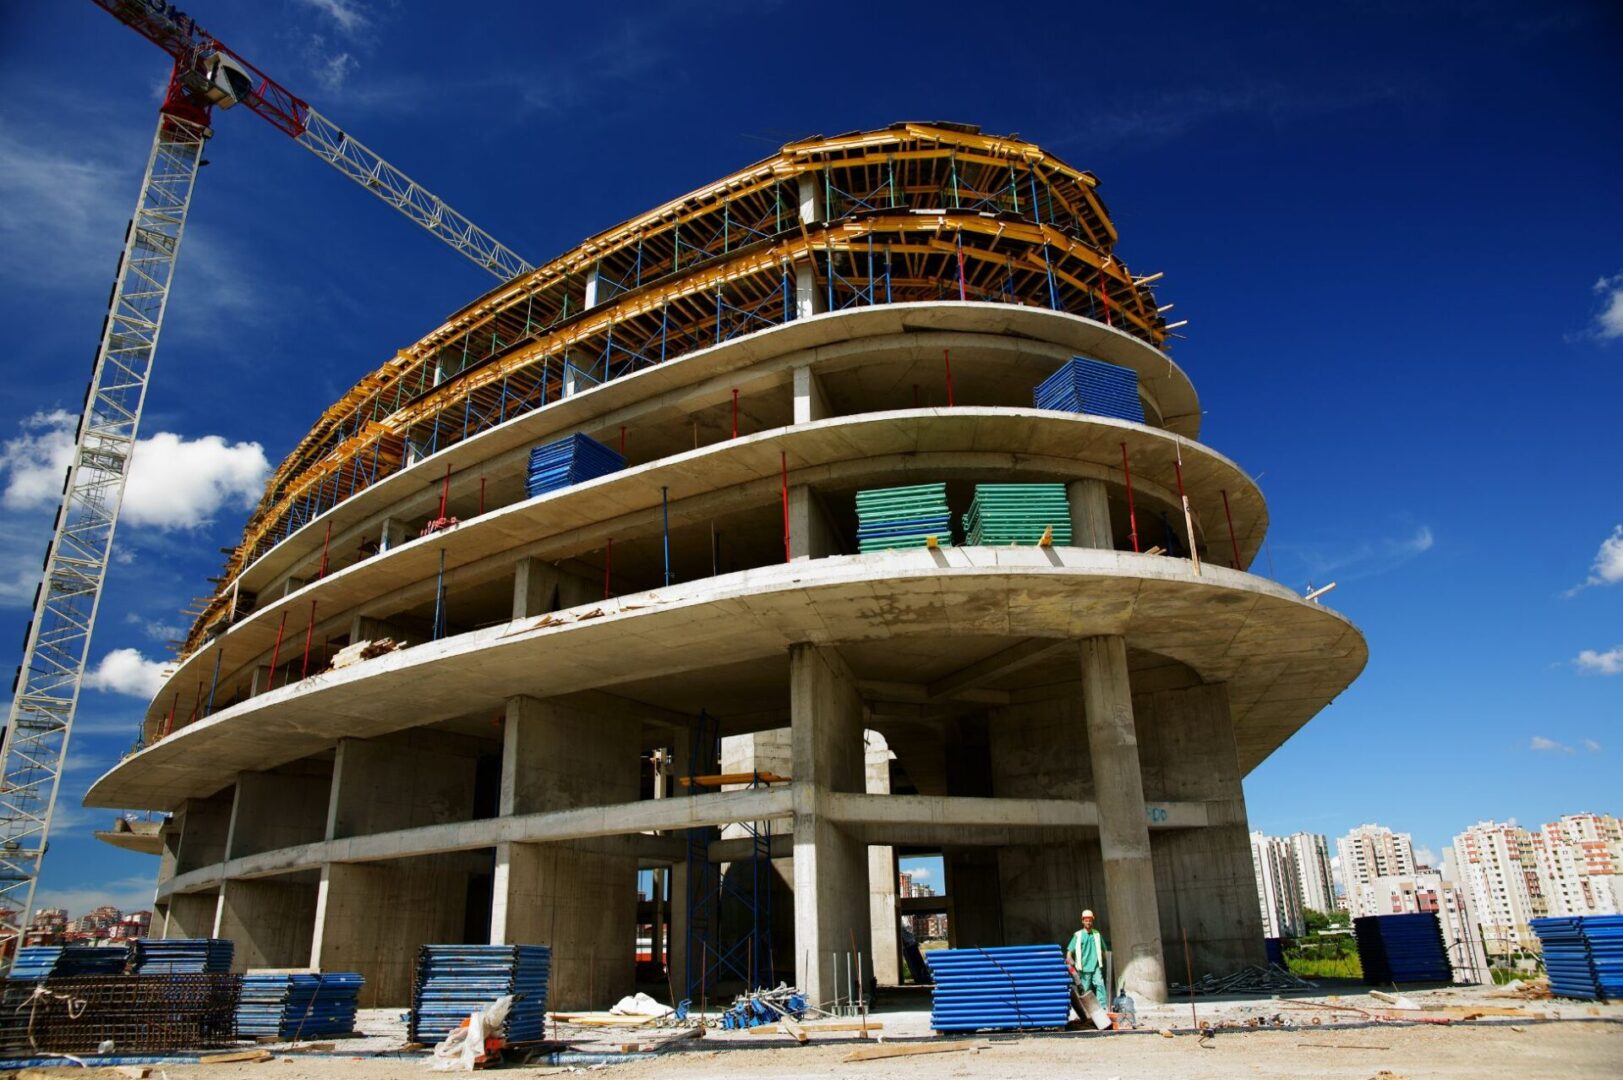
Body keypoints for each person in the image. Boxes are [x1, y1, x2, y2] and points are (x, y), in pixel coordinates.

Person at [1066, 909, 1107, 1004]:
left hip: (1096, 965)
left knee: (1100, 984)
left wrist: (1108, 962)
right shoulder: (1078, 935)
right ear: (1082, 921)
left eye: (1090, 920)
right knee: (1085, 988)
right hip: (1084, 967)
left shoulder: (1097, 934)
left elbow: (1104, 950)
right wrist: (1070, 959)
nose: (1088, 922)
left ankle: (1102, 1006)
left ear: (1092, 921)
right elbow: (1069, 952)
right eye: (1086, 920)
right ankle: (1087, 1008)